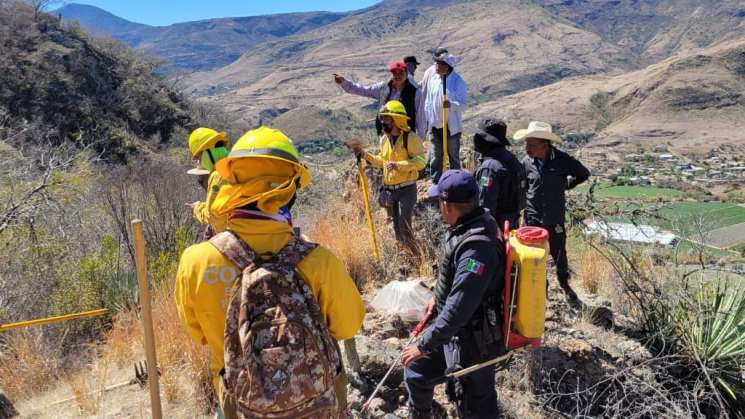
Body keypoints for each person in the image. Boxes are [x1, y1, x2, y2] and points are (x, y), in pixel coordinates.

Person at [175, 126, 365, 419]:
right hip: (317, 405)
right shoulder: (319, 261)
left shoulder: (195, 262)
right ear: (288, 192)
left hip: (240, 405)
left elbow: (198, 334)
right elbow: (348, 326)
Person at [402, 170, 505, 419]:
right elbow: (453, 282)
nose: (438, 207)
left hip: (476, 340)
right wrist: (436, 299)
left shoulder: (476, 250)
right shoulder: (470, 224)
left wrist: (424, 345)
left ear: (447, 205)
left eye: (439, 202)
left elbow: (460, 307)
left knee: (477, 403)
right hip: (465, 332)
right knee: (418, 372)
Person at [516, 121, 590, 307]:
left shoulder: (563, 160)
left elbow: (583, 174)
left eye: (531, 145)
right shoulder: (526, 163)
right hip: (532, 217)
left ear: (545, 144)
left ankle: (564, 284)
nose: (527, 148)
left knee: (558, 253)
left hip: (554, 217)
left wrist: (566, 185)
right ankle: (540, 288)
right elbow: (522, 185)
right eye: (526, 144)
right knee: (534, 254)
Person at [351, 100, 426, 256]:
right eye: (383, 118)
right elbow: (381, 162)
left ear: (397, 120)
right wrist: (365, 155)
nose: (383, 122)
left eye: (387, 119)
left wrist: (399, 165)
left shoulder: (411, 139)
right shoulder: (384, 139)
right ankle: (405, 257)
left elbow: (421, 162)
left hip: (407, 189)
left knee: (405, 225)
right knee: (397, 227)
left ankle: (417, 258)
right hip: (390, 190)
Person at [334, 60, 426, 138]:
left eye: (401, 73)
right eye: (395, 73)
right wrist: (344, 83)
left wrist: (419, 138)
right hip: (385, 134)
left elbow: (420, 116)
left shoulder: (416, 93)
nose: (398, 76)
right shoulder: (383, 87)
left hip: (405, 136)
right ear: (391, 74)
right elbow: (363, 90)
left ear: (406, 74)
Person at [473, 119, 526, 228]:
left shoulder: (489, 168)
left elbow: (485, 206)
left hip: (494, 228)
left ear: (486, 140)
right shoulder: (511, 158)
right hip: (511, 223)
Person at [424, 53, 468, 183]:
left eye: (439, 64)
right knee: (436, 156)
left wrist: (451, 105)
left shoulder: (458, 82)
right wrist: (429, 119)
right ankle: (436, 183)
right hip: (435, 125)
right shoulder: (433, 80)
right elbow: (428, 102)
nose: (436, 66)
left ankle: (456, 182)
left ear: (447, 67)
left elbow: (464, 104)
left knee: (453, 156)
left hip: (451, 128)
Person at [186, 127, 230, 237]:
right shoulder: (234, 166)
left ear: (206, 153)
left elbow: (212, 216)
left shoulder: (218, 176)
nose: (199, 162)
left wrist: (197, 208)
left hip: (230, 237)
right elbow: (223, 206)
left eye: (198, 158)